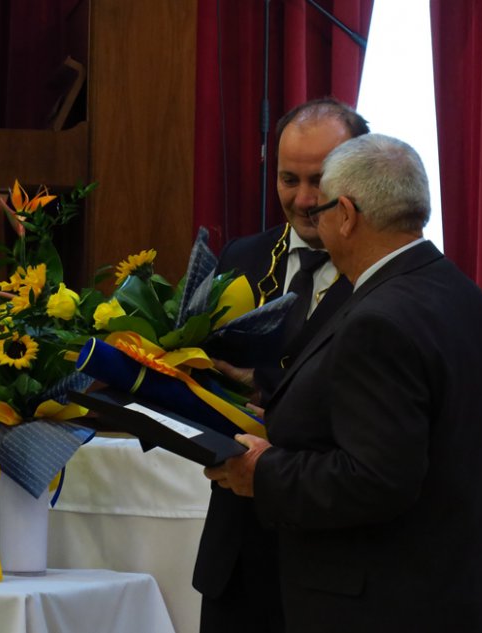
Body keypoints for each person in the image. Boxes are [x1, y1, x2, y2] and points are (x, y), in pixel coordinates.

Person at [205, 134, 482, 632]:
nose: (315, 221)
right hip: (451, 593)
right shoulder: (460, 292)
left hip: (380, 605)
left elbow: (376, 479)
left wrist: (262, 472)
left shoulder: (379, 320)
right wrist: (279, 422)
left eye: (322, 208)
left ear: (345, 214)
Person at [192, 98, 369, 633]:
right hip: (238, 559)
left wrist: (261, 384)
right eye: (289, 179)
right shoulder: (241, 257)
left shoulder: (384, 272)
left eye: (321, 180)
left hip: (333, 558)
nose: (305, 199)